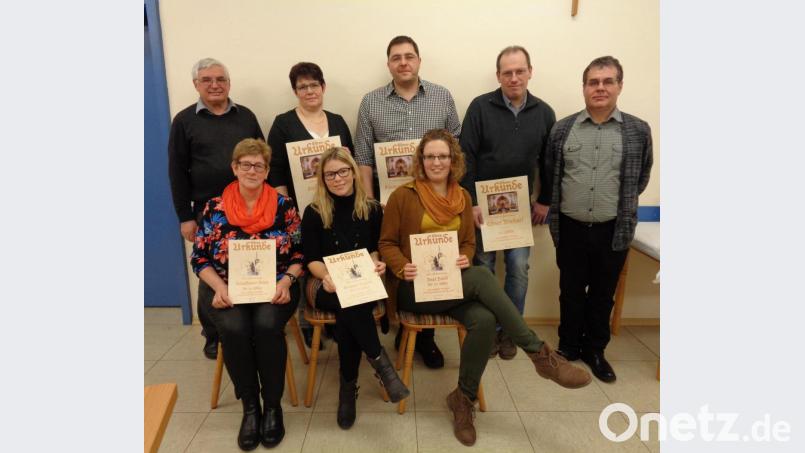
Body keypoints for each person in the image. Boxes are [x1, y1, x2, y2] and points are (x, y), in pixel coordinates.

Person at [379, 129, 591, 446]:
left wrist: (464, 258)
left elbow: (466, 243)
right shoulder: (403, 196)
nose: (437, 161)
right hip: (416, 288)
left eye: (443, 156)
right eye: (430, 156)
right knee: (480, 276)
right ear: (421, 161)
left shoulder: (462, 197)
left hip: (453, 284)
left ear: (453, 160)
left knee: (485, 319)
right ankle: (540, 354)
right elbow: (386, 242)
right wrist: (400, 266)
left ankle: (462, 400)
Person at [354, 35, 461, 369]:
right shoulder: (371, 102)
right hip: (389, 203)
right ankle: (399, 323)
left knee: (428, 262)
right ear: (389, 64)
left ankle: (424, 339)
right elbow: (363, 158)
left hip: (433, 200)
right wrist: (371, 202)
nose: (403, 62)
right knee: (394, 260)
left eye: (409, 56)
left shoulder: (442, 97)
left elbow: (453, 150)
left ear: (419, 61)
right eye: (396, 57)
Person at [191, 138, 303, 450]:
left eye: (259, 165)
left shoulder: (285, 207)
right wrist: (219, 287)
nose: (252, 170)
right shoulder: (214, 208)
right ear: (234, 168)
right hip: (228, 289)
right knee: (234, 328)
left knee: (267, 326)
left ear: (267, 171)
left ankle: (273, 406)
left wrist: (286, 282)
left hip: (276, 289)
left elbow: (298, 254)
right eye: (246, 164)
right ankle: (250, 406)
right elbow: (199, 258)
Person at [546, 56, 653, 383]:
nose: (600, 88)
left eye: (608, 81)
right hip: (571, 226)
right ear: (584, 88)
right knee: (571, 288)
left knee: (603, 292)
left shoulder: (637, 130)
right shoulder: (563, 129)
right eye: (593, 82)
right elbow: (552, 174)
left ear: (619, 85)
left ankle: (595, 349)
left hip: (613, 229)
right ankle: (568, 346)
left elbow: (641, 177)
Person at [301, 147, 409, 429]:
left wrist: (377, 263)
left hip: (360, 281)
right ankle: (381, 365)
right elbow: (310, 258)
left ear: (352, 172)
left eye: (342, 171)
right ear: (322, 179)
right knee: (348, 301)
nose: (337, 179)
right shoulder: (313, 212)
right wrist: (326, 276)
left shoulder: (372, 209)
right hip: (323, 283)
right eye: (330, 175)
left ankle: (347, 390)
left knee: (350, 305)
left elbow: (376, 248)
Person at [459, 45, 556, 360]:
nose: (513, 78)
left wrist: (544, 200)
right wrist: (472, 202)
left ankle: (510, 333)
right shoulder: (479, 107)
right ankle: (486, 332)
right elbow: (466, 157)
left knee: (518, 268)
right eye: (507, 72)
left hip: (519, 208)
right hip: (483, 208)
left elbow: (550, 163)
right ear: (498, 75)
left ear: (530, 71)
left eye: (519, 71)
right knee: (484, 269)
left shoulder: (544, 112)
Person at [168, 57, 264, 360]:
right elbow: (177, 171)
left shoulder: (245, 116)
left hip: (250, 205)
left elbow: (262, 157)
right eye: (207, 80)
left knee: (251, 264)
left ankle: (251, 324)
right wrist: (185, 217)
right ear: (196, 85)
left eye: (220, 79)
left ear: (229, 83)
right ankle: (213, 334)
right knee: (210, 271)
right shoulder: (184, 121)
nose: (214, 85)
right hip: (208, 214)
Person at [266, 62, 355, 350]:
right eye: (302, 86)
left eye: (314, 84)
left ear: (323, 87)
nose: (309, 91)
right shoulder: (283, 123)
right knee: (305, 258)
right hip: (300, 208)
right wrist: (286, 206)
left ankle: (336, 316)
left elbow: (349, 162)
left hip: (336, 204)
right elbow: (276, 168)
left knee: (333, 253)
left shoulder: (338, 121)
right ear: (295, 91)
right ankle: (307, 322)